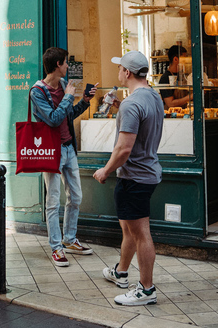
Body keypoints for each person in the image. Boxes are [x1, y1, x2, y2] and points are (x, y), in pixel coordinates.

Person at [93, 50, 163, 306]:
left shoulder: (133, 104)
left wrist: (105, 170)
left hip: (134, 177)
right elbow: (140, 116)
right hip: (148, 173)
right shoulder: (152, 97)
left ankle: (146, 289)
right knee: (129, 228)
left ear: (128, 72)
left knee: (141, 233)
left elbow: (123, 149)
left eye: (120, 68)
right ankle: (121, 272)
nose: (118, 72)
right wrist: (119, 106)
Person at [30, 47, 97, 267]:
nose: (68, 66)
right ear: (58, 64)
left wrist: (85, 101)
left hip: (69, 149)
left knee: (76, 196)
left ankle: (69, 239)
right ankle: (56, 248)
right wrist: (69, 96)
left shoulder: (62, 85)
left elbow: (68, 116)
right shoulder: (37, 92)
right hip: (51, 151)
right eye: (66, 62)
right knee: (53, 202)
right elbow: (52, 119)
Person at [157, 44, 191, 109]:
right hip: (172, 116)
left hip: (184, 115)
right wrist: (191, 97)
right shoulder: (165, 78)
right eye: (184, 60)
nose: (186, 63)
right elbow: (170, 103)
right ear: (175, 59)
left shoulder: (183, 76)